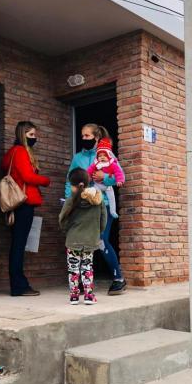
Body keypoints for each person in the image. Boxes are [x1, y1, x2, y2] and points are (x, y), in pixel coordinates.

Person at [64, 124, 127, 295]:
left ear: (96, 137)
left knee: (101, 240)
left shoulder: (107, 155)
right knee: (86, 242)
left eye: (87, 136)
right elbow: (71, 180)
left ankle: (118, 278)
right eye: (82, 136)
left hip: (104, 204)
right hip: (84, 206)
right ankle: (84, 281)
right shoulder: (77, 158)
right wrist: (69, 202)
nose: (84, 139)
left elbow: (120, 177)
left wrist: (104, 177)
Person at [1, 121, 50, 297]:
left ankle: (18, 284)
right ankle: (19, 286)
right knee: (19, 246)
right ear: (23, 135)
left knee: (17, 244)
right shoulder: (20, 151)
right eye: (31, 135)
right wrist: (45, 180)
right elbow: (27, 176)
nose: (34, 138)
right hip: (23, 203)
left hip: (15, 204)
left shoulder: (10, 153)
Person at [59, 168, 107, 304]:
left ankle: (74, 296)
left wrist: (67, 232)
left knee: (73, 269)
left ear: (73, 185)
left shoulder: (71, 200)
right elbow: (103, 220)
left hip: (73, 240)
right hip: (90, 239)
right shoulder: (98, 199)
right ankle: (88, 296)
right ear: (87, 182)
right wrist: (97, 233)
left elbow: (62, 219)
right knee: (87, 267)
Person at [87, 138, 125, 218]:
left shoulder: (112, 164)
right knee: (94, 193)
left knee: (112, 198)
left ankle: (113, 211)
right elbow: (89, 170)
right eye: (100, 156)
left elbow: (119, 172)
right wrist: (88, 177)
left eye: (105, 155)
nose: (102, 157)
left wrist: (119, 180)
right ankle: (94, 208)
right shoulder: (96, 164)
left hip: (108, 186)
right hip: (97, 185)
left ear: (109, 156)